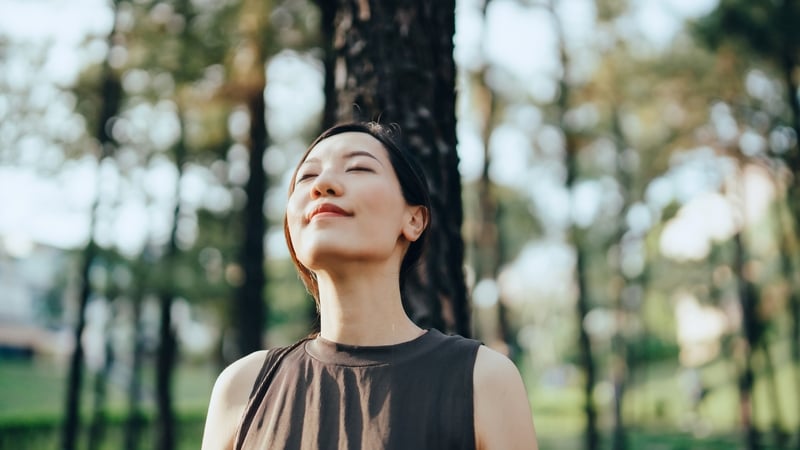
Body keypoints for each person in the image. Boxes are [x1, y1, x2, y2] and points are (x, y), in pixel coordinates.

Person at [201, 122, 538, 450]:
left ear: (414, 220)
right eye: (307, 176)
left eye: (358, 168)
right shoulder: (242, 388)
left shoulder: (484, 382)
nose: (323, 184)